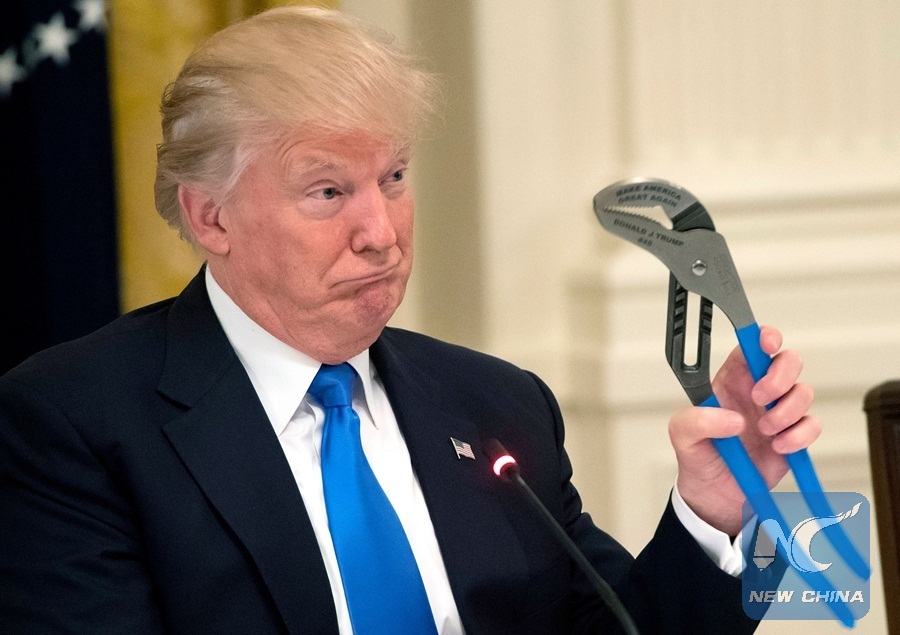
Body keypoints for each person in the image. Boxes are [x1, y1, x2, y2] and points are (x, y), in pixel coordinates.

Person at [0, 7, 819, 634]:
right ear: (210, 216)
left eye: (392, 177)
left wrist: (717, 509)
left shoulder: (494, 401)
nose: (381, 231)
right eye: (328, 191)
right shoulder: (75, 421)